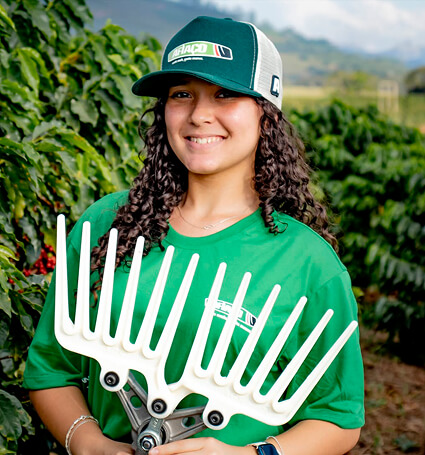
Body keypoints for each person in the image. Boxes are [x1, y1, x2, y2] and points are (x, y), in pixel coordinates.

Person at [23, 15, 364, 455]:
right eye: (181, 94)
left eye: (226, 94)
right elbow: (51, 368)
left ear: (266, 113)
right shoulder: (107, 223)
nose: (200, 115)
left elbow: (337, 416)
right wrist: (88, 443)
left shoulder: (308, 263)